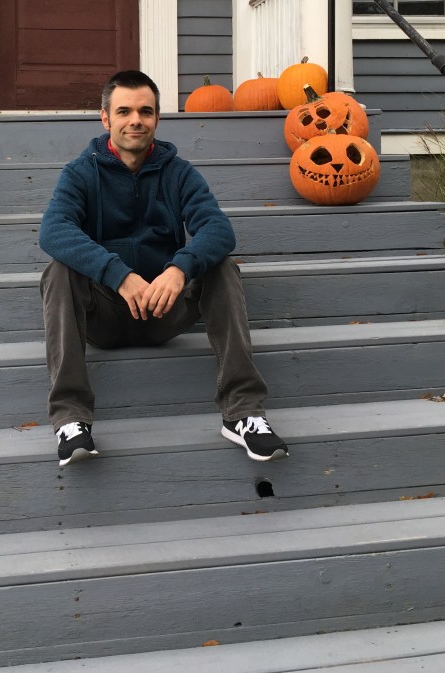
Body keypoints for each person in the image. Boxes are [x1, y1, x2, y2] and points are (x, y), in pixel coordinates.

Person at [38, 69, 288, 467]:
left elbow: (218, 229)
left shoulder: (178, 172)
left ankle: (242, 413)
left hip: (163, 311)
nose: (135, 120)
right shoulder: (81, 173)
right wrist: (119, 275)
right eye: (124, 111)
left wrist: (179, 269)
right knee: (58, 271)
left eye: (145, 111)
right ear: (105, 118)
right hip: (104, 316)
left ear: (157, 117)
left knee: (221, 267)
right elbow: (53, 230)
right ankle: (70, 419)